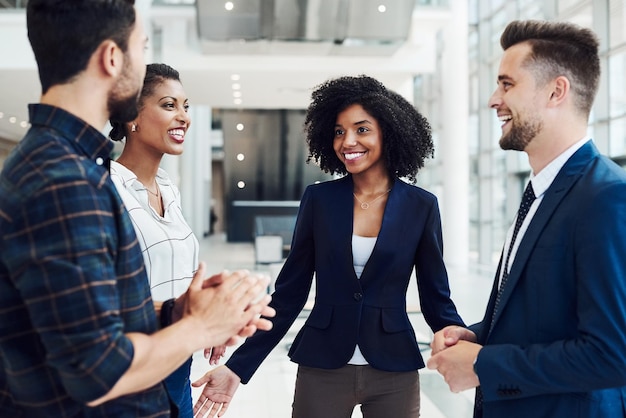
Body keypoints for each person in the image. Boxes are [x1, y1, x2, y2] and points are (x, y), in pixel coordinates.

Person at [0, 1, 274, 417]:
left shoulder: (67, 165)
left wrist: (184, 310)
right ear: (112, 57)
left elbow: (88, 315)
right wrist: (200, 327)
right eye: (142, 46)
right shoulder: (66, 182)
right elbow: (97, 370)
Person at [192, 75, 466, 418]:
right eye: (339, 131)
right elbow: (289, 294)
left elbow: (436, 296)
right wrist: (237, 368)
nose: (347, 141)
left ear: (389, 133)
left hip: (394, 368)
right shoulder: (319, 200)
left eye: (362, 129)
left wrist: (462, 338)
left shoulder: (421, 206)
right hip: (322, 366)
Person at [427, 19, 626, 418]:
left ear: (556, 91)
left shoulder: (607, 196)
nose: (493, 100)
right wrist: (476, 336)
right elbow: (544, 317)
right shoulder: (540, 191)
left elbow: (612, 355)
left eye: (507, 84)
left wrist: (482, 365)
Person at [108, 63, 226, 417]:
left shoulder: (169, 190)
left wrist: (207, 317)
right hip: (133, 368)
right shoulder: (106, 190)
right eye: (169, 105)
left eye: (186, 107)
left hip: (178, 363)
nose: (184, 117)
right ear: (133, 117)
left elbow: (180, 276)